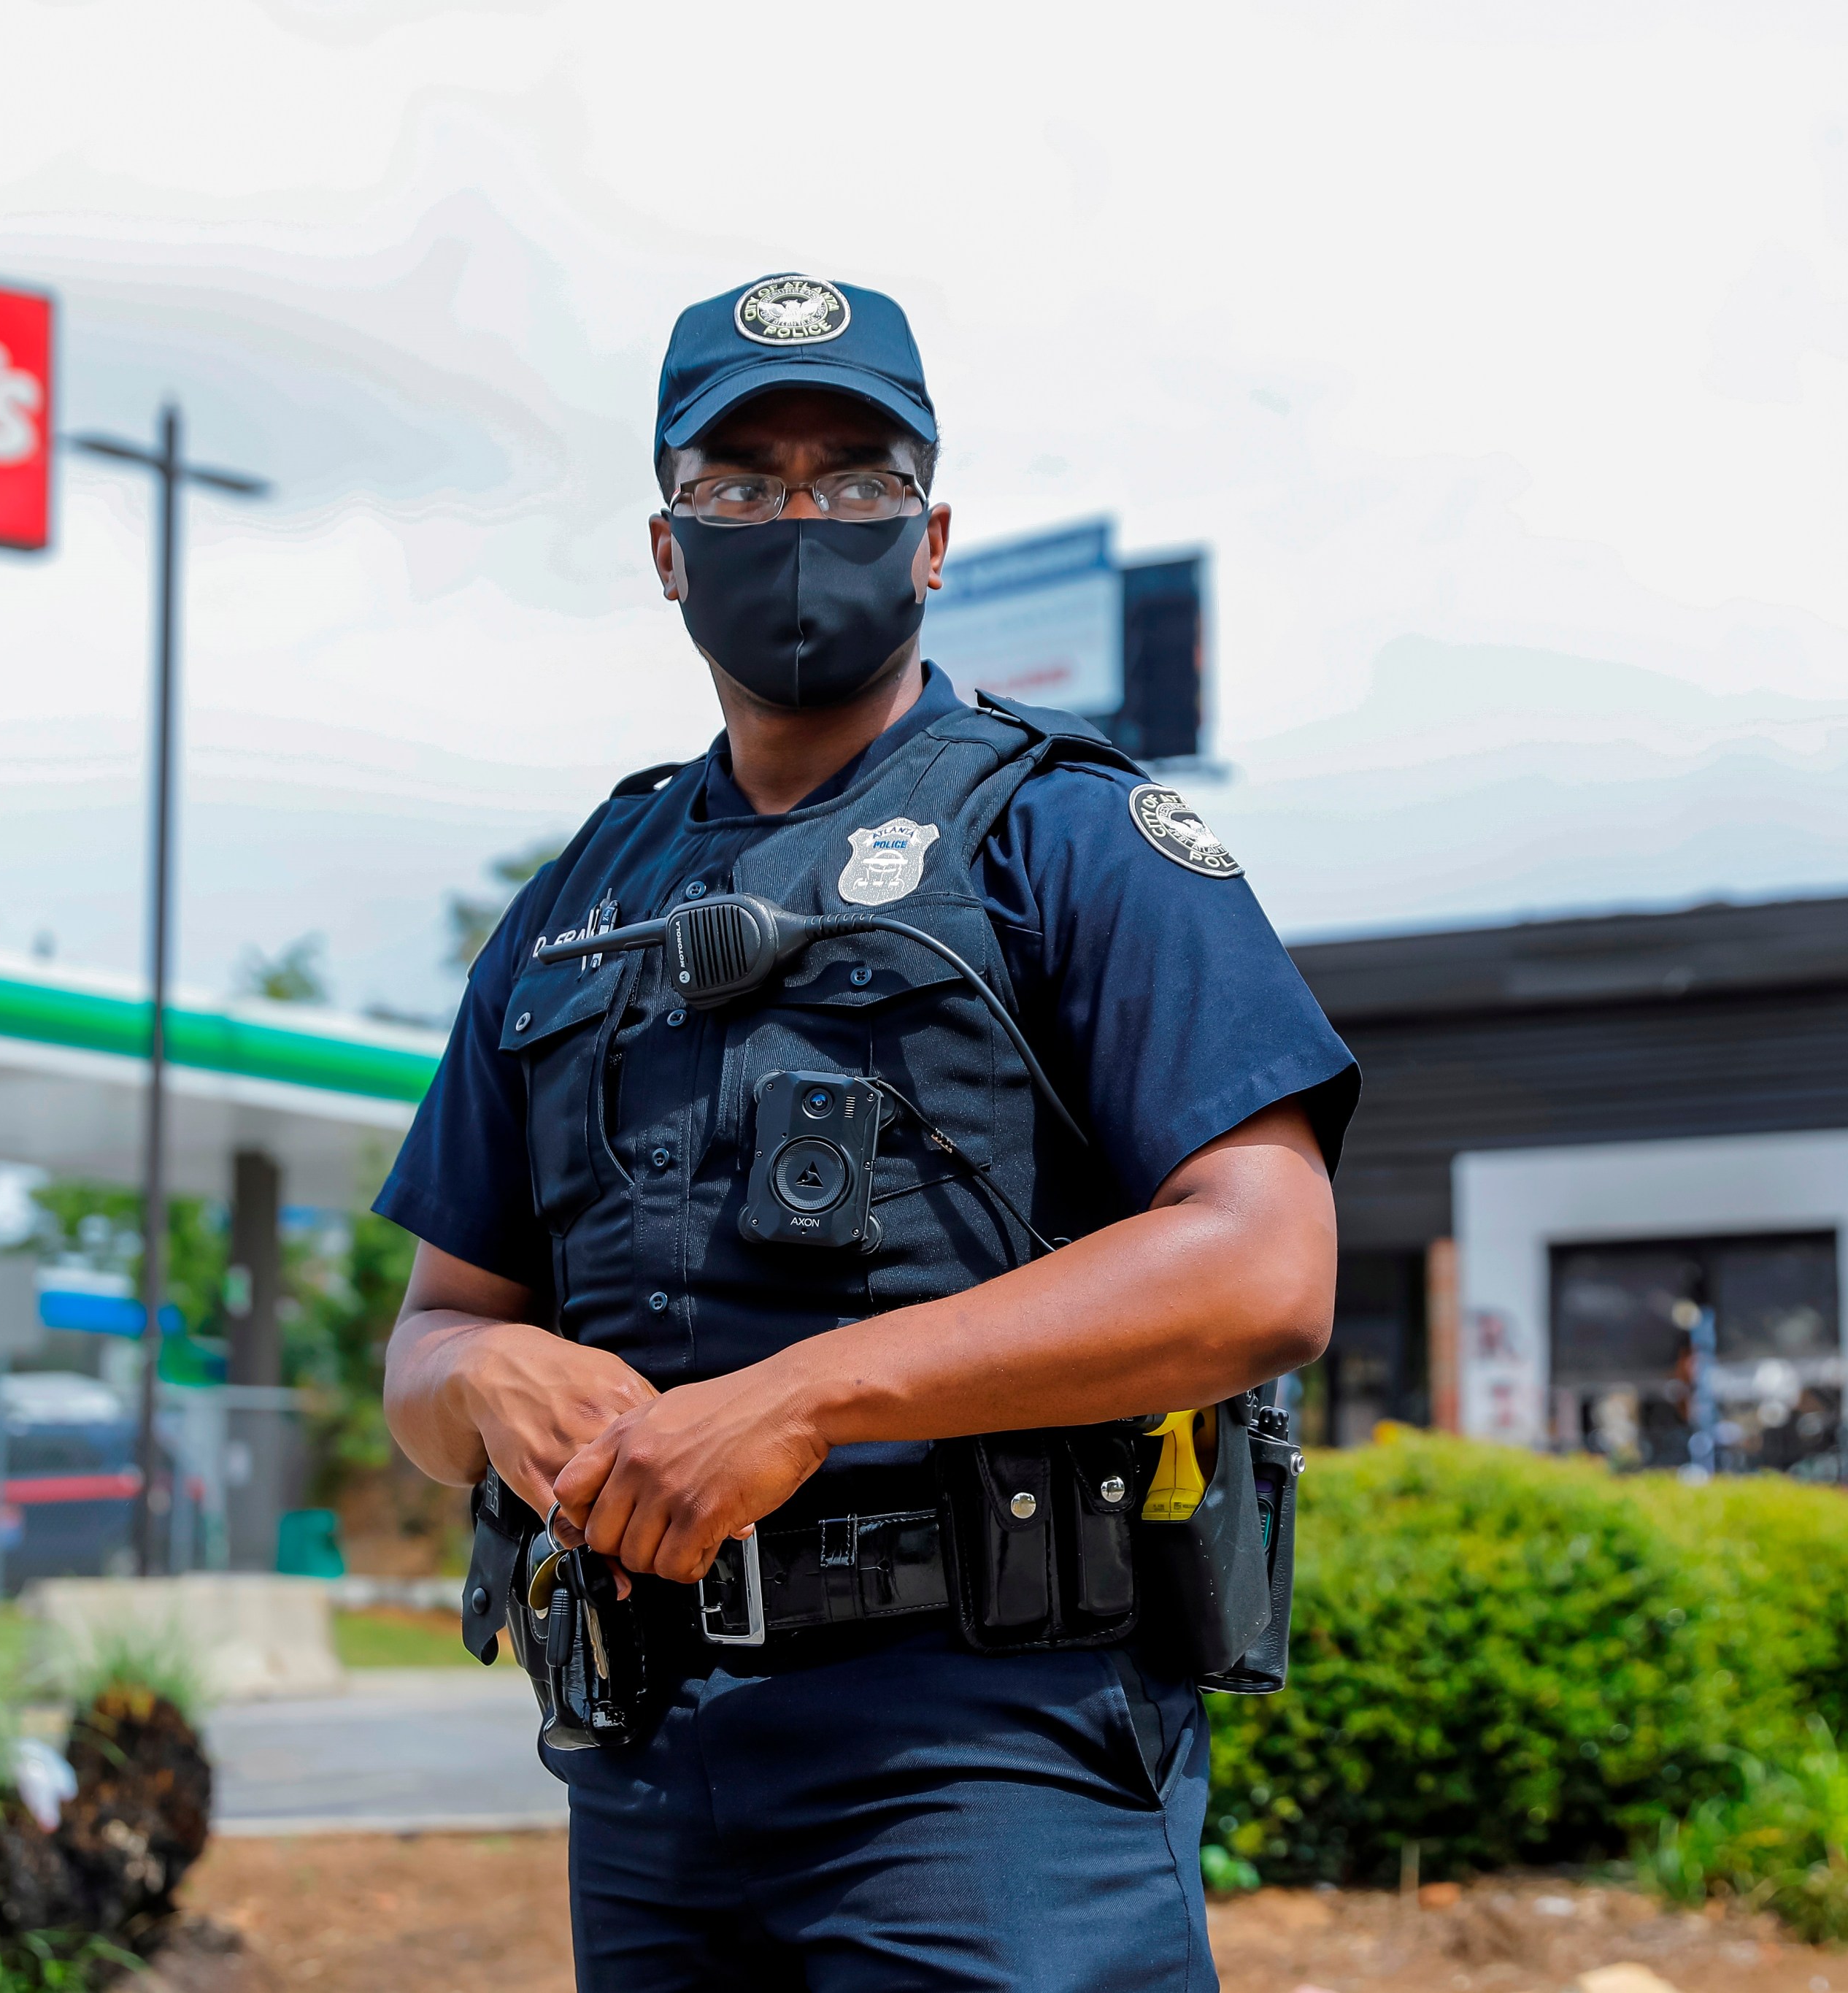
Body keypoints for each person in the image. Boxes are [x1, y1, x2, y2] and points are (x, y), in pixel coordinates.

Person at [378, 273, 1358, 1990]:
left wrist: (809, 1399)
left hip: (987, 1760)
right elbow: (432, 1334)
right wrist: (477, 1382)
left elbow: (1265, 1266)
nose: (799, 516)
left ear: (932, 534)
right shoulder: (573, 908)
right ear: (669, 543)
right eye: (741, 483)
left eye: (853, 474)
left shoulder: (1070, 842)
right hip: (645, 1752)